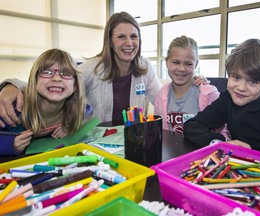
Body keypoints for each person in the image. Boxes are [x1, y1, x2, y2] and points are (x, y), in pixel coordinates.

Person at [0, 11, 206, 127]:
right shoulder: (91, 69)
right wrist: (10, 85)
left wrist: (193, 83)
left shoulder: (144, 67)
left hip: (131, 138)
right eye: (121, 36)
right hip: (95, 139)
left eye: (134, 36)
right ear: (110, 41)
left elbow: (164, 98)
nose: (129, 42)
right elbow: (54, 83)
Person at [183, 38, 260, 157]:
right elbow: (192, 125)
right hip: (238, 170)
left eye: (253, 81)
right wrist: (219, 144)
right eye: (236, 77)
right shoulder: (228, 98)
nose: (241, 87)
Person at [0, 49, 88, 156]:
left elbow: (86, 111)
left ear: (75, 86)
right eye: (47, 72)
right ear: (34, 80)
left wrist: (70, 124)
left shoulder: (75, 109)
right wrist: (10, 145)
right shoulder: (13, 108)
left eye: (65, 73)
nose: (56, 78)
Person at [154, 35, 226, 134]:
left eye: (188, 64)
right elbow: (158, 130)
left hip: (202, 149)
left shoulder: (209, 94)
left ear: (195, 64)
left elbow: (224, 131)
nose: (181, 69)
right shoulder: (161, 94)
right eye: (176, 62)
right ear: (167, 62)